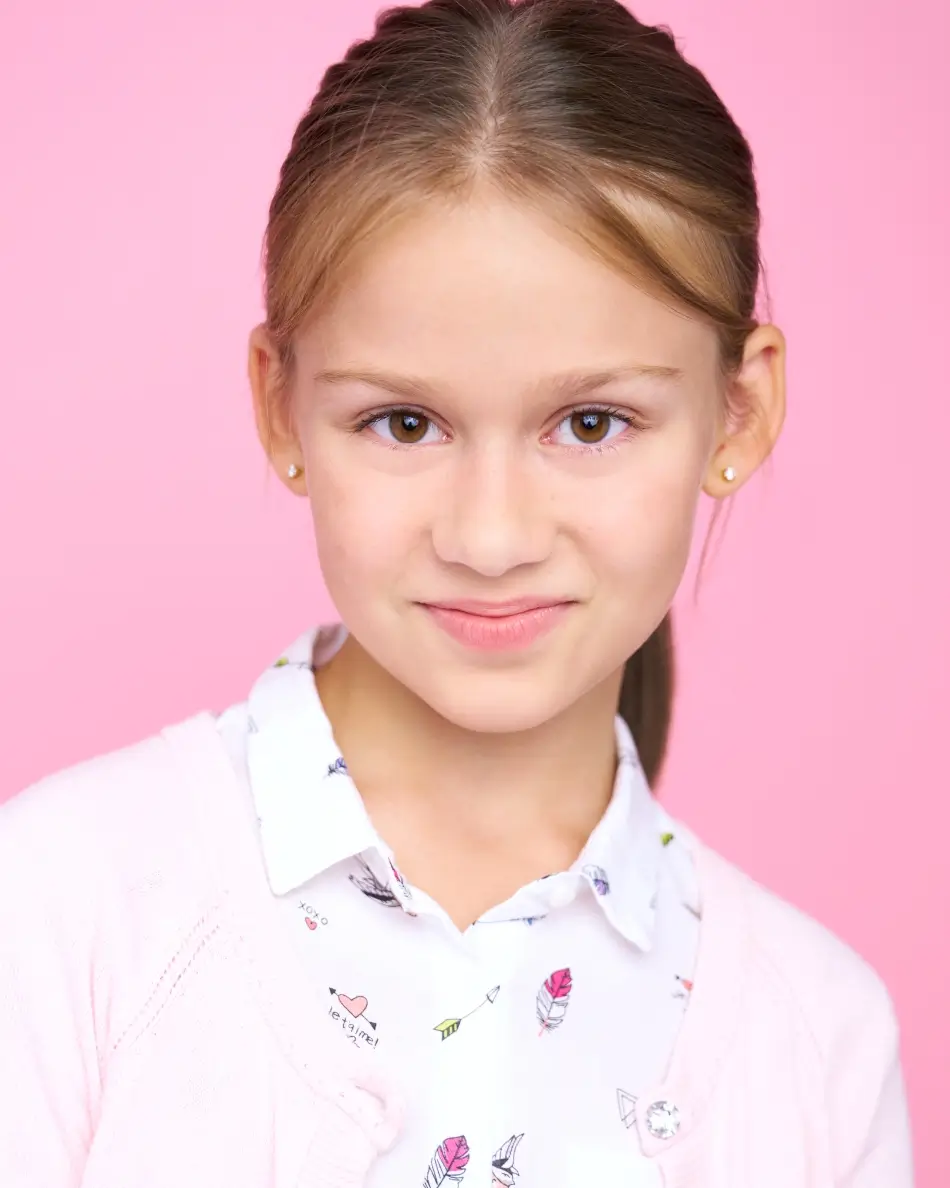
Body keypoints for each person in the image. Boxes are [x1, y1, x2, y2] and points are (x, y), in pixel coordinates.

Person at [0, 0, 915, 1185]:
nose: (489, 537)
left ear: (736, 413)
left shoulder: (818, 1041)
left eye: (590, 423)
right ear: (280, 406)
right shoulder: (59, 911)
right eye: (403, 421)